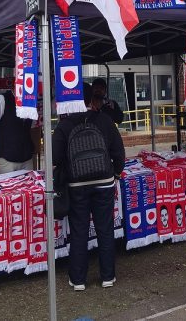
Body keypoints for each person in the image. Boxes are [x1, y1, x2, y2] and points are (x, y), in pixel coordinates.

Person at [53, 83, 125, 291]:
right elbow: (119, 153)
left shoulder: (65, 125)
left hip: (77, 185)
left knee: (79, 231)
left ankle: (78, 280)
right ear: (91, 99)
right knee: (105, 229)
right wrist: (116, 174)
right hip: (104, 183)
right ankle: (107, 277)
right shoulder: (105, 120)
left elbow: (55, 157)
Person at [0, 90, 35, 174]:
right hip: (6, 160)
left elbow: (31, 129)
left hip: (27, 159)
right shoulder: (2, 100)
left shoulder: (30, 101)